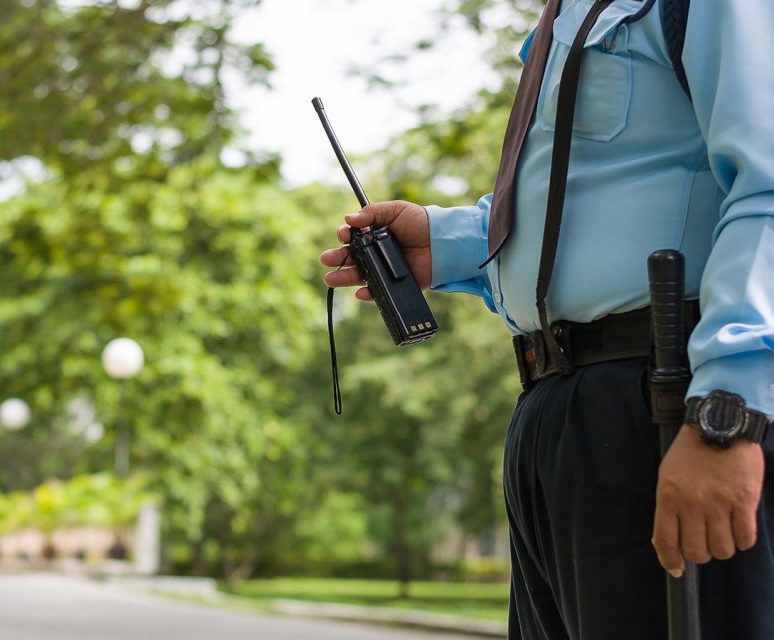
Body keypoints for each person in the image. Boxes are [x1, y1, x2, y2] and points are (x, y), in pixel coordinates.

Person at [321, 1, 774, 638]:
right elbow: (592, 200)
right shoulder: (562, 15)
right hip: (558, 413)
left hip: (671, 402)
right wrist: (452, 243)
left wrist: (727, 414)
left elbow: (766, 191)